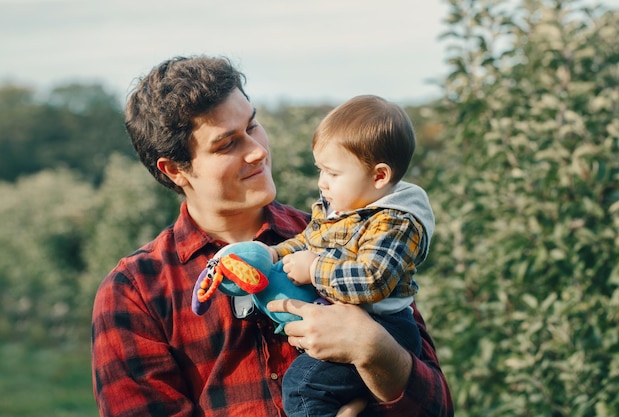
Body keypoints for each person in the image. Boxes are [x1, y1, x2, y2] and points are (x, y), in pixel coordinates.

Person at [90, 55, 454, 417]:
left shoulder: (344, 234)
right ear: (175, 171)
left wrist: (374, 350)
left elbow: (437, 408)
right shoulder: (136, 292)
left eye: (252, 126)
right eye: (227, 144)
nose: (258, 151)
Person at [268, 95, 435, 417]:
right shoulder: (345, 209)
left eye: (332, 173)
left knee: (303, 388)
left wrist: (315, 269)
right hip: (352, 322)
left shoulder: (395, 221)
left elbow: (372, 279)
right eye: (321, 170)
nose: (321, 182)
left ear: (379, 176)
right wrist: (275, 252)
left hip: (387, 327)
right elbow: (308, 241)